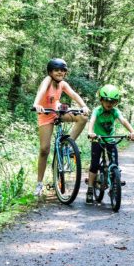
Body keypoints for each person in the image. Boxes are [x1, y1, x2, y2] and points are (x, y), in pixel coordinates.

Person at [32, 58, 90, 197]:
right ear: (50, 72)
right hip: (45, 113)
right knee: (44, 149)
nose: (60, 73)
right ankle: (39, 184)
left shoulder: (63, 84)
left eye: (62, 70)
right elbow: (41, 92)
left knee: (82, 117)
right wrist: (36, 104)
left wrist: (84, 106)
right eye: (57, 70)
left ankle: (69, 145)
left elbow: (74, 94)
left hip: (58, 112)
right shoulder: (47, 80)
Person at [86, 84, 134, 204]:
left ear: (116, 102)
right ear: (101, 100)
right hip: (98, 140)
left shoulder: (115, 111)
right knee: (94, 165)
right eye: (106, 101)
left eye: (113, 101)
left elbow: (123, 121)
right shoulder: (97, 111)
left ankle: (114, 184)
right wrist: (90, 132)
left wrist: (132, 131)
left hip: (110, 140)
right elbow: (92, 120)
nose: (109, 103)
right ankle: (89, 190)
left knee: (114, 164)